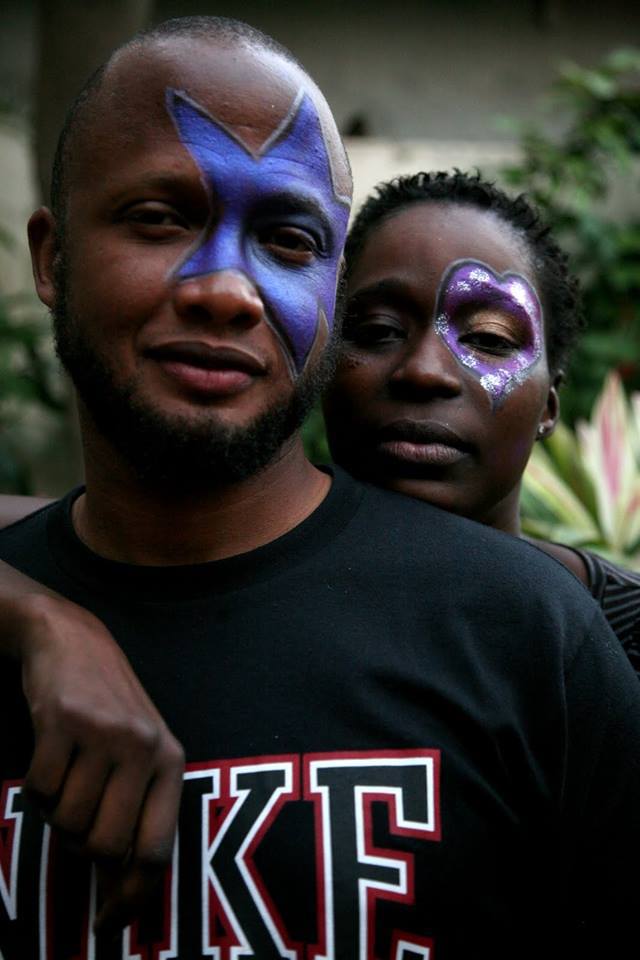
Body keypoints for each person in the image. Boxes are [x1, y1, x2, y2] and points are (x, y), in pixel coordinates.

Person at [1, 17, 640, 959]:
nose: (226, 290)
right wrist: (43, 618)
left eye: (289, 239)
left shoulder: (534, 638)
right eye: (161, 218)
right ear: (52, 259)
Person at [324, 169, 640, 674]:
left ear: (549, 407)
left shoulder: (622, 636)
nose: (424, 372)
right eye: (379, 330)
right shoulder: (231, 607)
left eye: (489, 338)